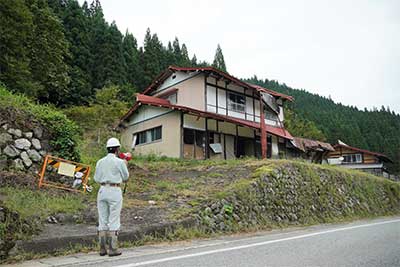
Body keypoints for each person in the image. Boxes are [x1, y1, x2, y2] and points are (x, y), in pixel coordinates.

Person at [94, 137, 129, 257]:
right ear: (117, 149)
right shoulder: (119, 162)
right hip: (114, 190)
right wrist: (125, 163)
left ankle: (102, 249)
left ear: (107, 149)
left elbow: (96, 178)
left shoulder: (100, 161)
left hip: (102, 190)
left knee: (102, 219)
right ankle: (113, 249)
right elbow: (125, 177)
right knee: (113, 218)